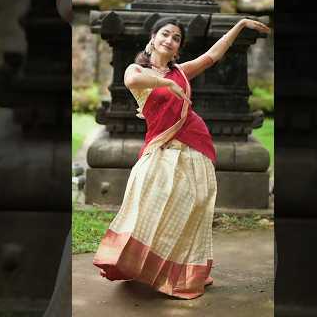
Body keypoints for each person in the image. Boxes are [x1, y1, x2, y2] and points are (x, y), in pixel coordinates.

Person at [92, 16, 269, 299]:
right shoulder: (137, 68)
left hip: (194, 143)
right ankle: (136, 263)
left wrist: (241, 25)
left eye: (176, 39)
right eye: (165, 34)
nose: (170, 40)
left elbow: (212, 56)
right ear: (152, 39)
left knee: (194, 205)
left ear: (177, 50)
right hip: (161, 147)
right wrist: (166, 84)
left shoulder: (182, 72)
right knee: (149, 200)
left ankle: (184, 272)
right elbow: (133, 80)